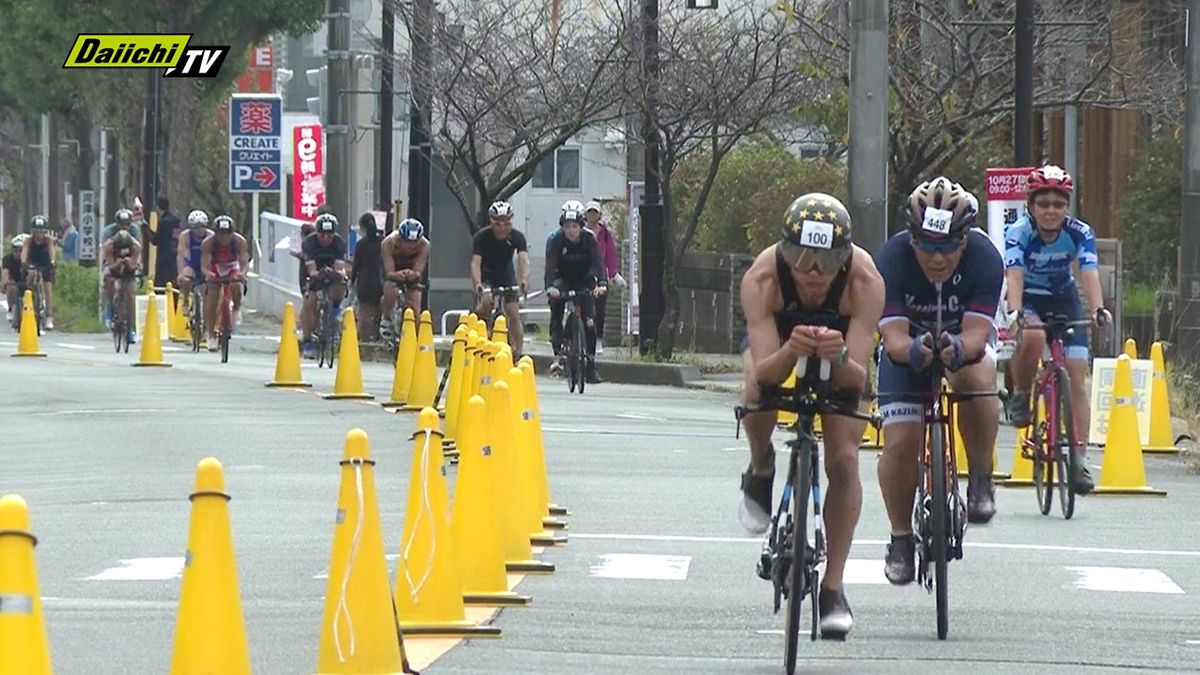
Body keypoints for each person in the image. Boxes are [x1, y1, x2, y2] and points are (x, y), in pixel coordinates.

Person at [738, 192, 884, 639]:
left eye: (827, 259)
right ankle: (761, 465)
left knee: (843, 458)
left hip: (842, 354)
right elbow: (765, 373)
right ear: (784, 252)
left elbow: (857, 383)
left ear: (846, 258)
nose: (814, 272)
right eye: (801, 259)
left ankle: (834, 586)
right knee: (754, 390)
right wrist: (791, 349)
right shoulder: (763, 278)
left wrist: (838, 357)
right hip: (782, 344)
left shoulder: (864, 282)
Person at [875, 177, 1003, 587]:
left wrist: (958, 349)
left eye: (948, 247)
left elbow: (979, 336)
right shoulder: (892, 258)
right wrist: (912, 350)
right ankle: (900, 538)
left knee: (979, 378)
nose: (937, 257)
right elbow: (892, 336)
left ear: (966, 239)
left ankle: (980, 475)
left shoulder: (985, 258)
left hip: (960, 344)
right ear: (911, 237)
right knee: (900, 443)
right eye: (927, 245)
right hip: (907, 349)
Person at [1003, 165, 1107, 495]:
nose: (1051, 211)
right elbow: (1014, 275)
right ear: (1031, 205)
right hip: (1029, 298)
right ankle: (1021, 394)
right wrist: (1015, 311)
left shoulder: (1079, 232)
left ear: (1067, 206)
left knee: (1076, 376)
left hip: (1064, 300)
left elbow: (1088, 272)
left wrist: (1098, 309)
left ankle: (1079, 460)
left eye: (1058, 204)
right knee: (1032, 335)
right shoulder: (1019, 232)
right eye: (1043, 203)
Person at [545, 206, 607, 383]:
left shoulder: (589, 239)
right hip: (562, 279)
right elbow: (550, 266)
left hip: (584, 279)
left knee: (589, 321)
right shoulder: (557, 240)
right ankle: (558, 353)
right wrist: (550, 287)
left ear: (581, 226)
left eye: (574, 226)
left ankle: (591, 364)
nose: (571, 231)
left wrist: (601, 283)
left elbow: (598, 262)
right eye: (567, 227)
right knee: (556, 309)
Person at [471, 200, 528, 359]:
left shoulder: (517, 236)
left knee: (513, 312)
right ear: (491, 221)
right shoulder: (482, 236)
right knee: (486, 302)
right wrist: (478, 284)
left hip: (506, 275)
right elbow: (475, 263)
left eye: (506, 224)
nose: (502, 228)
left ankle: (518, 352)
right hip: (487, 275)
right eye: (497, 224)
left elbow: (523, 259)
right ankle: (481, 331)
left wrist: (524, 279)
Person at [301, 213, 349, 359]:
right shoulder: (310, 243)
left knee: (341, 281)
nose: (326, 239)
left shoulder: (339, 243)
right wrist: (320, 273)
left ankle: (335, 308)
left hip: (331, 269)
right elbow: (311, 271)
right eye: (322, 235)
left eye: (329, 235)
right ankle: (307, 341)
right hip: (315, 272)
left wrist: (337, 273)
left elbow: (340, 269)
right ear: (317, 233)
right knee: (309, 304)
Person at [200, 215, 249, 350]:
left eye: (227, 234)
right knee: (212, 299)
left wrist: (242, 274)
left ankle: (236, 309)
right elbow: (204, 265)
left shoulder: (240, 241)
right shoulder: (208, 243)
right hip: (216, 266)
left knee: (236, 286)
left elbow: (244, 262)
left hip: (232, 265)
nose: (224, 238)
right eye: (221, 234)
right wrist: (208, 274)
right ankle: (210, 334)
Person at [380, 217, 430, 337]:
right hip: (394, 271)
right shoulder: (388, 243)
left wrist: (413, 275)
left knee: (415, 304)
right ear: (399, 239)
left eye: (414, 245)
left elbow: (418, 271)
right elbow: (389, 272)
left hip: (411, 273)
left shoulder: (424, 245)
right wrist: (397, 275)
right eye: (406, 243)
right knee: (390, 289)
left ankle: (414, 332)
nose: (410, 248)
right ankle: (386, 319)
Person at [584, 200, 620, 355]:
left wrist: (612, 274)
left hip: (600, 273)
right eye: (590, 212)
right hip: (584, 273)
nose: (593, 215)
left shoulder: (604, 233)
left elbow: (610, 254)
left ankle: (598, 339)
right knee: (584, 306)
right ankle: (583, 337)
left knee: (600, 309)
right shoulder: (580, 231)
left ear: (599, 215)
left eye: (595, 212)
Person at [101, 208, 141, 331]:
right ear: (116, 223)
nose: (124, 227)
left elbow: (137, 260)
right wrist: (116, 264)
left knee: (131, 293)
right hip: (113, 258)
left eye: (127, 224)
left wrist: (132, 264)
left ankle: (132, 326)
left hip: (131, 258)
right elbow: (107, 261)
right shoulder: (109, 236)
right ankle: (109, 309)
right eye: (121, 224)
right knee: (109, 279)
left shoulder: (135, 237)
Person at [351, 213, 384, 341]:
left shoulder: (360, 245)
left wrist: (352, 281)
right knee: (378, 313)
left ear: (363, 228)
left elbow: (356, 266)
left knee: (365, 314)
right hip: (379, 282)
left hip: (364, 283)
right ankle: (376, 337)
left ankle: (365, 341)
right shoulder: (382, 242)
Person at [20, 215, 57, 330]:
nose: (39, 234)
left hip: (46, 263)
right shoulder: (29, 241)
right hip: (33, 263)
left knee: (47, 287)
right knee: (31, 276)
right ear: (33, 231)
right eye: (36, 231)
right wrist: (24, 263)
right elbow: (24, 252)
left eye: (41, 231)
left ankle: (49, 316)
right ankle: (29, 299)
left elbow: (52, 251)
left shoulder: (48, 240)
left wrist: (52, 262)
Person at [176, 210, 213, 314]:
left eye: (202, 226)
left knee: (209, 287)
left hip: (206, 264)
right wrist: (180, 273)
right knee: (185, 280)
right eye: (196, 227)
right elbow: (181, 255)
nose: (200, 230)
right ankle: (186, 301)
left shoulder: (211, 236)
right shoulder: (185, 236)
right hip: (192, 263)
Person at [153, 195, 182, 286]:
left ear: (157, 207)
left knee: (161, 287)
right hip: (175, 258)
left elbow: (155, 240)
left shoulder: (163, 222)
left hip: (164, 260)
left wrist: (145, 229)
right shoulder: (176, 220)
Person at [3, 235, 27, 325]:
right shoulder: (7, 259)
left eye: (21, 250)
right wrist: (5, 283)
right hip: (14, 282)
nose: (18, 253)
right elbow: (5, 273)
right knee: (10, 287)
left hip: (27, 282)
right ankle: (10, 309)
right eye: (15, 250)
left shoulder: (29, 258)